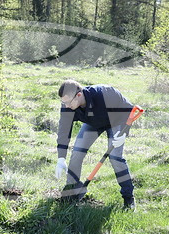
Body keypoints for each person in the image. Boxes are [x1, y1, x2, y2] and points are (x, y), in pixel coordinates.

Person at [55, 79, 136, 209]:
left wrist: (123, 134)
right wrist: (61, 157)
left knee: (115, 157)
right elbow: (64, 131)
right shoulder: (67, 106)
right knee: (77, 152)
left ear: (79, 95)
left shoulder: (105, 93)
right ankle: (72, 190)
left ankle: (128, 198)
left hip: (116, 120)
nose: (66, 106)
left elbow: (129, 110)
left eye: (68, 102)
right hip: (93, 123)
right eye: (63, 102)